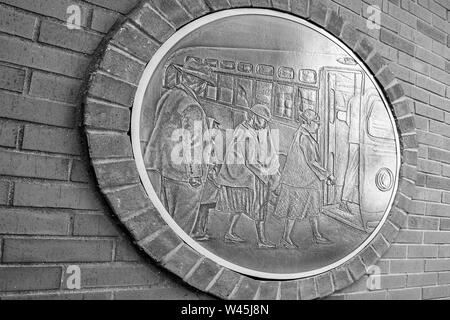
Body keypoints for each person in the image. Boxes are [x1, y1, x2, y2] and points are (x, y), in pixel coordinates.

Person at [144, 59, 217, 232]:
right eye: (205, 83)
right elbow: (194, 145)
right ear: (199, 84)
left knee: (169, 221)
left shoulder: (168, 96)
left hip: (166, 168)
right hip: (185, 177)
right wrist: (195, 175)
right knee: (183, 227)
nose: (204, 88)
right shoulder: (193, 107)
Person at [216, 104, 281, 248]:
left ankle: (229, 233)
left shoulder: (251, 129)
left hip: (242, 176)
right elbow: (250, 162)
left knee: (239, 206)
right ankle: (262, 241)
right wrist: (266, 176)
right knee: (260, 206)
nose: (265, 125)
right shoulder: (244, 133)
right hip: (242, 175)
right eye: (263, 120)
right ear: (255, 117)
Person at [274, 109, 336, 249]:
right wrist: (328, 175)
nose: (318, 126)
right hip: (300, 180)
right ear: (308, 122)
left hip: (306, 179)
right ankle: (286, 238)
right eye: (316, 123)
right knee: (294, 210)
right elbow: (312, 161)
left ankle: (316, 235)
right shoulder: (305, 137)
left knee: (313, 207)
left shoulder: (303, 133)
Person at [190, 118, 222, 241]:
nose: (217, 131)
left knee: (204, 208)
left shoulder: (211, 143)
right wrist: (213, 172)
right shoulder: (207, 144)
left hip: (209, 179)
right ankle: (198, 231)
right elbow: (208, 161)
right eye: (215, 128)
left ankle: (200, 230)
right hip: (208, 179)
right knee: (202, 207)